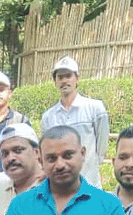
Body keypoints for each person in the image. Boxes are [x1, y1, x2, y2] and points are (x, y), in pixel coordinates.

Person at [41, 56, 110, 188]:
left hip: (90, 185)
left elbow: (101, 148)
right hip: (60, 189)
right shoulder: (48, 117)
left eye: (68, 76)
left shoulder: (95, 108)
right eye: (60, 77)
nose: (64, 81)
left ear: (77, 79)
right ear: (55, 81)